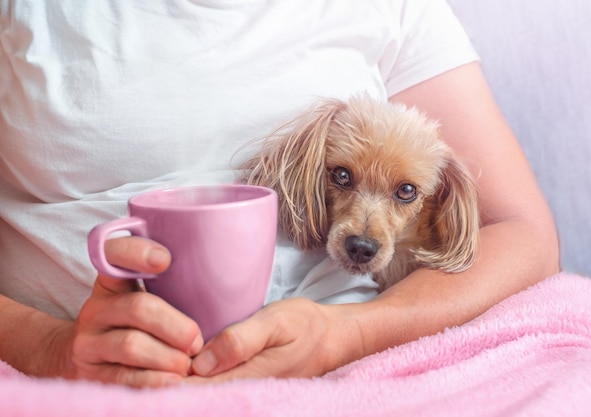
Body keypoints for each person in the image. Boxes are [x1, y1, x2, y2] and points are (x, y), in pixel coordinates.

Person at [0, 0, 560, 387]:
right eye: (340, 176)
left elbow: (522, 234)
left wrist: (350, 335)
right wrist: (50, 348)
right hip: (61, 379)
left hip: (362, 369)